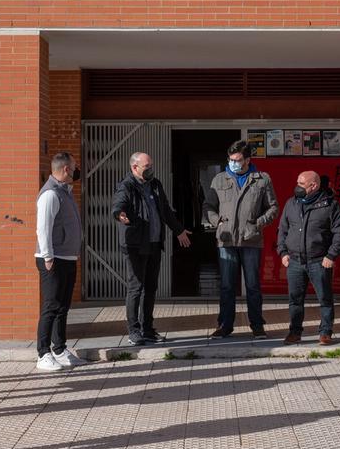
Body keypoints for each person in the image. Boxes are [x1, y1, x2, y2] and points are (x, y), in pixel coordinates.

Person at [112, 152, 192, 346]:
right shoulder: (127, 185)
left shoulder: (155, 185)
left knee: (150, 288)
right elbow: (119, 203)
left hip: (154, 244)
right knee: (136, 288)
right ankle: (134, 331)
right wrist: (119, 213)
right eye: (147, 167)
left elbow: (165, 210)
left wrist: (179, 230)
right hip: (135, 245)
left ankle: (148, 329)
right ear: (135, 168)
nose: (151, 169)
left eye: (151, 165)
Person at [203, 140, 279, 339]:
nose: (233, 163)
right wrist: (216, 221)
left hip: (251, 240)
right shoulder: (219, 179)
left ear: (247, 160)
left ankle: (257, 325)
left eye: (237, 160)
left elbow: (273, 208)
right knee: (227, 286)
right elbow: (208, 206)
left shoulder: (262, 179)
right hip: (226, 241)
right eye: (230, 160)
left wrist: (258, 223)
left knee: (253, 285)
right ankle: (225, 325)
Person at [277, 170, 340, 346]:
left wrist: (331, 255)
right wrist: (283, 253)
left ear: (313, 186)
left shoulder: (329, 205)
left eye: (301, 184)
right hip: (294, 261)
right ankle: (294, 332)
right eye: (297, 182)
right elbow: (282, 230)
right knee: (295, 300)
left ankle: (325, 332)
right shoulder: (291, 204)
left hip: (319, 261)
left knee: (325, 298)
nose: (297, 186)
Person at [33, 153, 89, 370]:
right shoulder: (50, 194)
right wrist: (47, 256)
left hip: (66, 256)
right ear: (66, 169)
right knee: (51, 305)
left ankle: (59, 349)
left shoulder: (65, 191)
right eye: (74, 167)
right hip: (52, 259)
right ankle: (43, 353)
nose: (76, 171)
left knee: (63, 306)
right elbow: (43, 228)